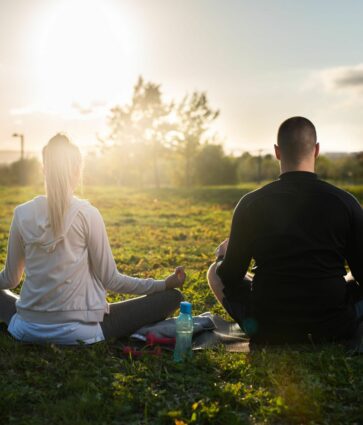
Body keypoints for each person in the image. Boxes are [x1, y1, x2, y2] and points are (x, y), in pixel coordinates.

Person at [0, 134, 185, 345]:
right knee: (173, 298)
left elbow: (9, 279)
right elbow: (111, 280)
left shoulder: (22, 213)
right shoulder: (88, 214)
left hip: (27, 329)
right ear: (78, 171)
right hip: (80, 333)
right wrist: (163, 284)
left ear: (44, 169)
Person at [207, 117, 363, 344]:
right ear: (316, 150)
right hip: (334, 325)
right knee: (348, 279)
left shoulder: (250, 203)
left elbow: (230, 277)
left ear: (277, 152)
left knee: (214, 271)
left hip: (268, 325)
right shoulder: (346, 202)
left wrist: (224, 255)